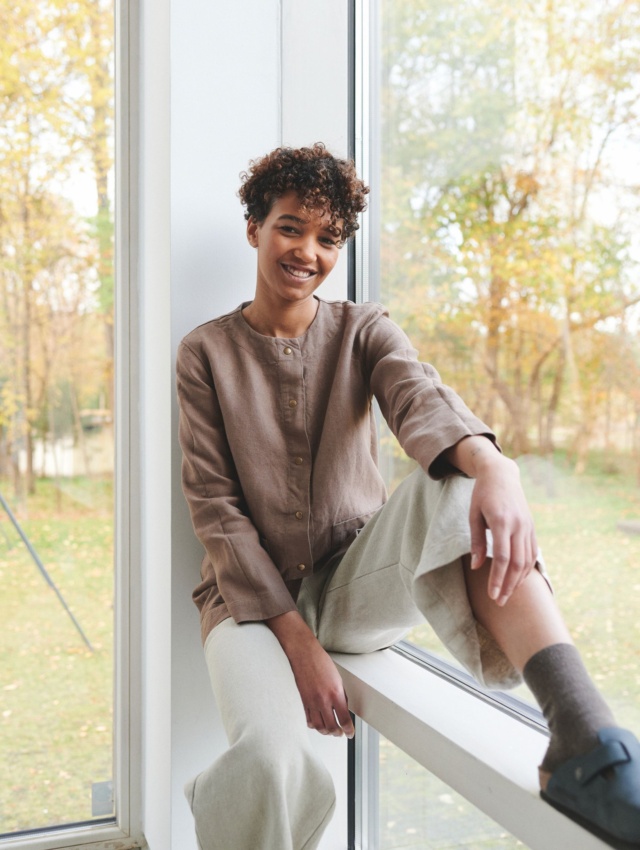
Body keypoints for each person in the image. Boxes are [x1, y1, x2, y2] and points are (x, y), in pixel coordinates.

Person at [176, 143, 640, 850]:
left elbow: (418, 394)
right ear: (254, 229)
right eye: (290, 227)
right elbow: (215, 507)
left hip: (351, 581)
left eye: (328, 238)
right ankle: (226, 800)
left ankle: (584, 737)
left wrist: (495, 466)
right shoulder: (203, 353)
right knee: (271, 764)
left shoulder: (364, 329)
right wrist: (294, 638)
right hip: (245, 605)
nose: (308, 250)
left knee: (460, 481)